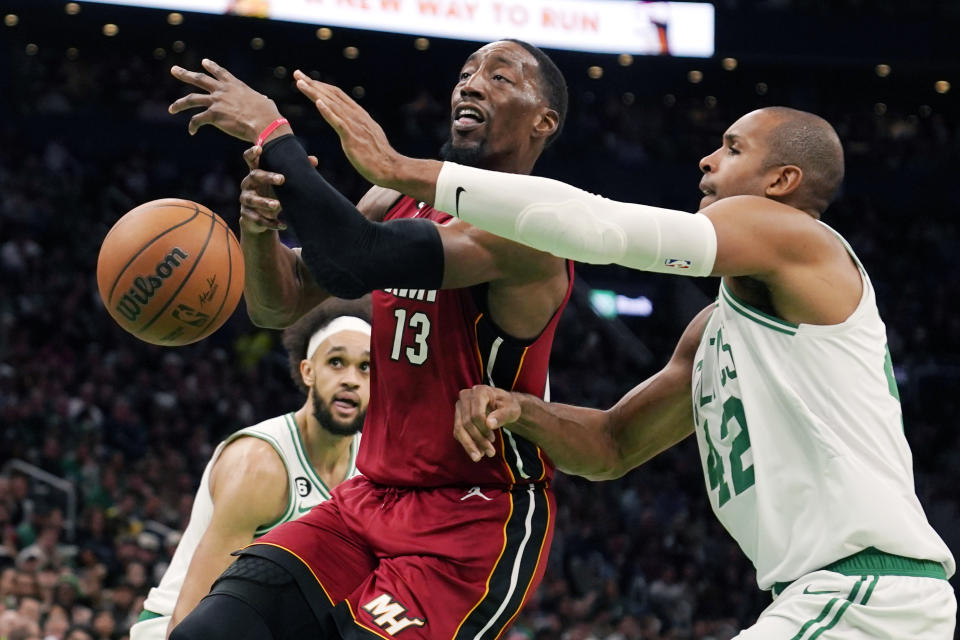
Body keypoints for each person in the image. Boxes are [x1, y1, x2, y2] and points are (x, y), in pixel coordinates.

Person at [297, 93, 957, 638]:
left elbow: (601, 229)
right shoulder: (713, 331)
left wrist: (404, 170)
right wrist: (519, 408)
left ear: (781, 182)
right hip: (832, 599)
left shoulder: (801, 241)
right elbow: (611, 448)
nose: (705, 159)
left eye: (731, 148)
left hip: (867, 594)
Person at [166, 40, 574, 640]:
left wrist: (272, 129)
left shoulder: (531, 224)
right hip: (369, 496)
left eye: (501, 77)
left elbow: (361, 254)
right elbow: (280, 302)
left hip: (472, 521)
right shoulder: (393, 199)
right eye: (466, 73)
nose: (471, 83)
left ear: (545, 122)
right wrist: (259, 230)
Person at [129, 299, 371, 640]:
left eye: (366, 367)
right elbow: (195, 618)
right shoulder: (260, 464)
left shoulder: (371, 468)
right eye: (336, 362)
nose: (351, 379)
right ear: (308, 371)